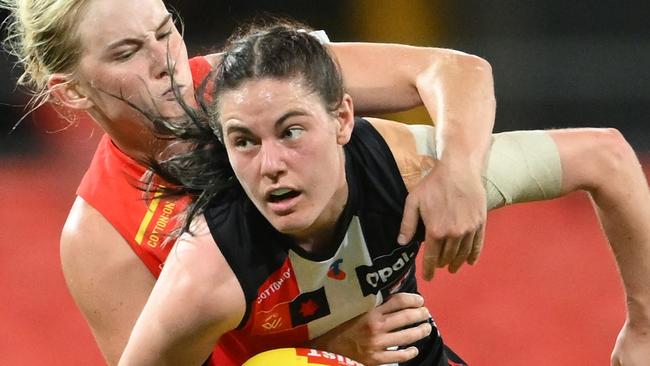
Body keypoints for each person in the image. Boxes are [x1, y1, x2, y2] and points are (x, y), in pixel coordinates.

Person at [119, 23, 650, 366]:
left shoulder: (407, 170)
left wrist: (644, 330)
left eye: (292, 130)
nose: (271, 165)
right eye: (244, 142)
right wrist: (324, 349)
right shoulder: (208, 269)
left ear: (343, 119)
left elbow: (607, 157)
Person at [0, 0, 499, 364]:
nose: (166, 60)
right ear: (69, 93)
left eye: (165, 30)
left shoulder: (259, 77)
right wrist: (329, 347)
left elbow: (453, 71)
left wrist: (458, 170)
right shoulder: (99, 233)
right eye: (128, 51)